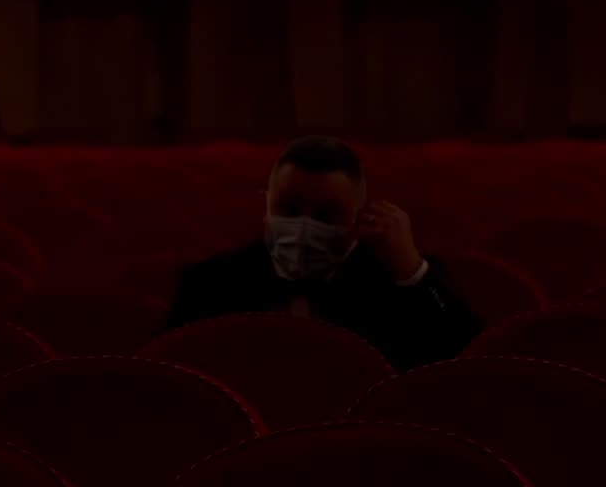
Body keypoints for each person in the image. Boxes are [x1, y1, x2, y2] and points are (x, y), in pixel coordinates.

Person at [165, 136, 481, 371]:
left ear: (360, 217)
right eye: (289, 209)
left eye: (327, 215)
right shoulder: (208, 283)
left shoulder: (396, 280)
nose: (304, 227)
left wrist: (413, 273)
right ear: (267, 207)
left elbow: (464, 360)